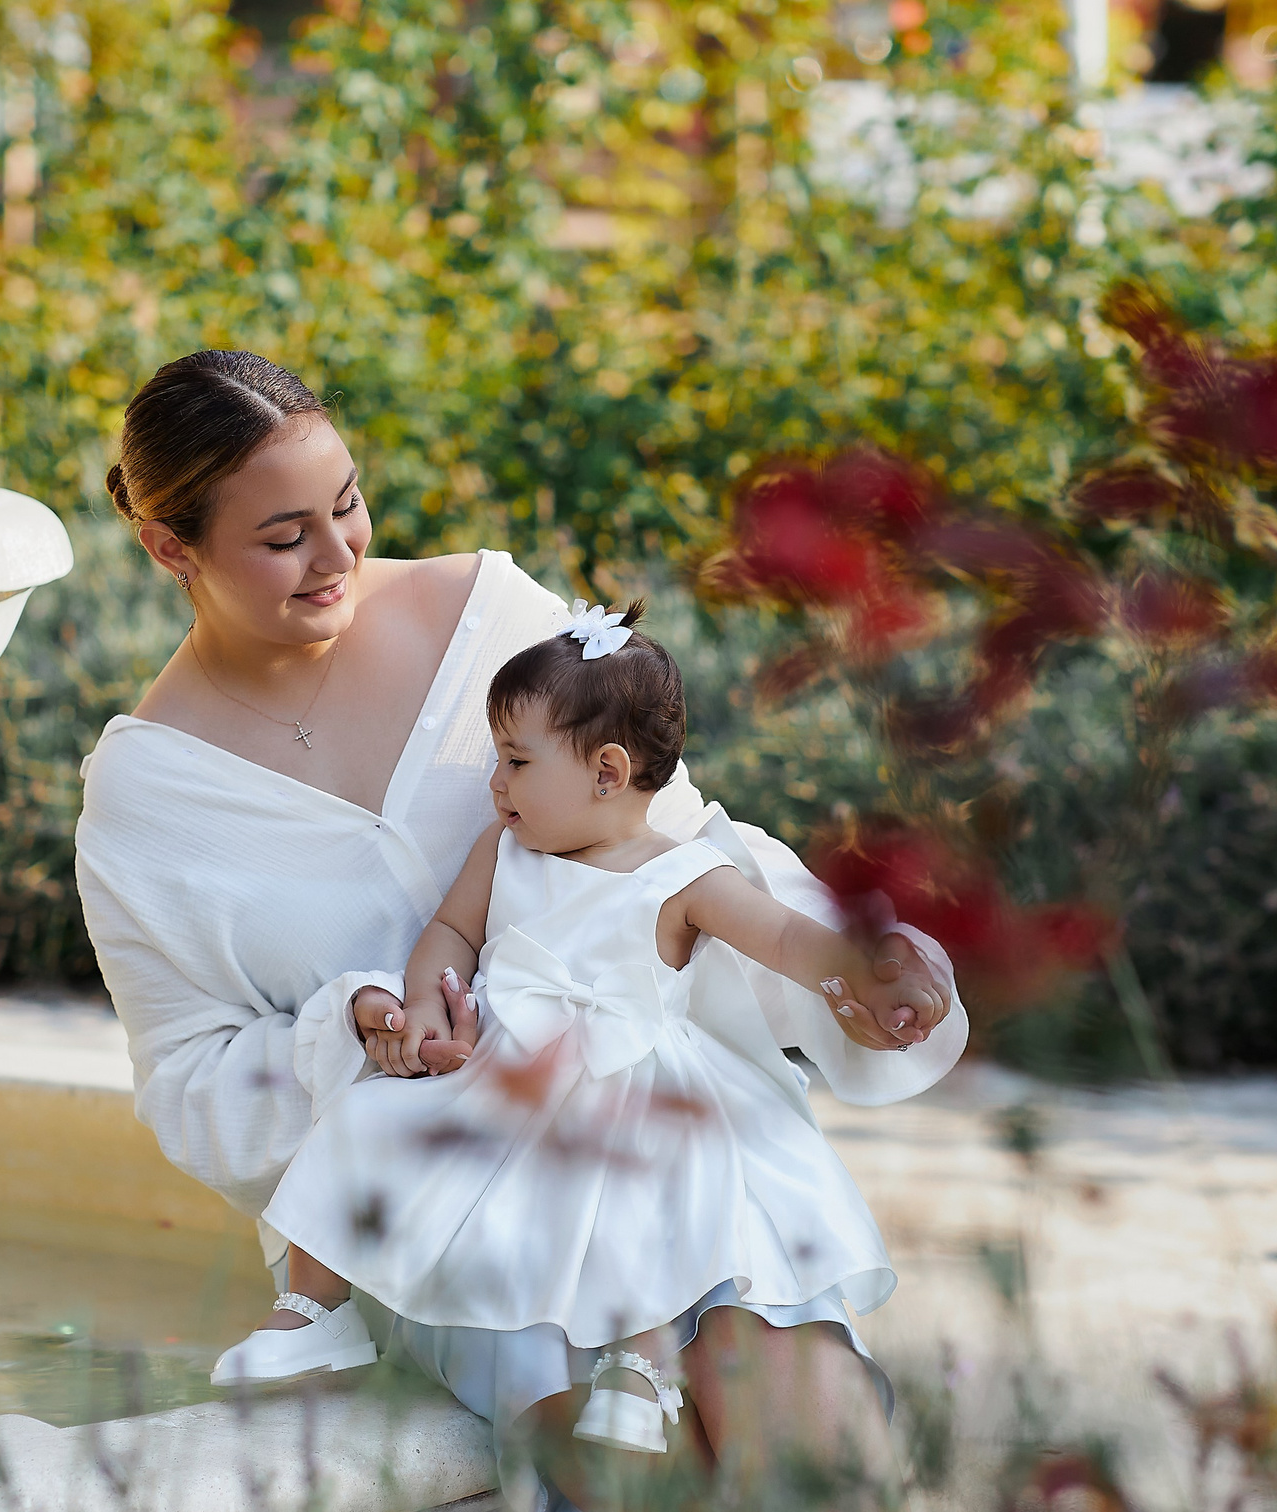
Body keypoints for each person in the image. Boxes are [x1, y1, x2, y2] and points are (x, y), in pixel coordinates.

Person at [73, 349, 967, 1512]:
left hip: (681, 1149)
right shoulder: (148, 799)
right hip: (460, 1223)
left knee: (824, 1494)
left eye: (346, 504)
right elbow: (185, 1082)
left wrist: (844, 974)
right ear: (170, 548)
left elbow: (675, 848)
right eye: (283, 537)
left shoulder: (493, 617)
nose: (339, 555)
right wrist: (352, 1035)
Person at [217, 604, 936, 1460]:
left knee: (652, 1188)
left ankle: (641, 1368)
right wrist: (424, 1000)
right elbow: (451, 933)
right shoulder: (506, 849)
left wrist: (864, 965)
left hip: (627, 1074)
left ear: (607, 771)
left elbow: (783, 936)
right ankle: (315, 1310)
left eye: (517, 762)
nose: (496, 783)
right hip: (509, 1069)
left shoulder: (682, 873)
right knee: (365, 1123)